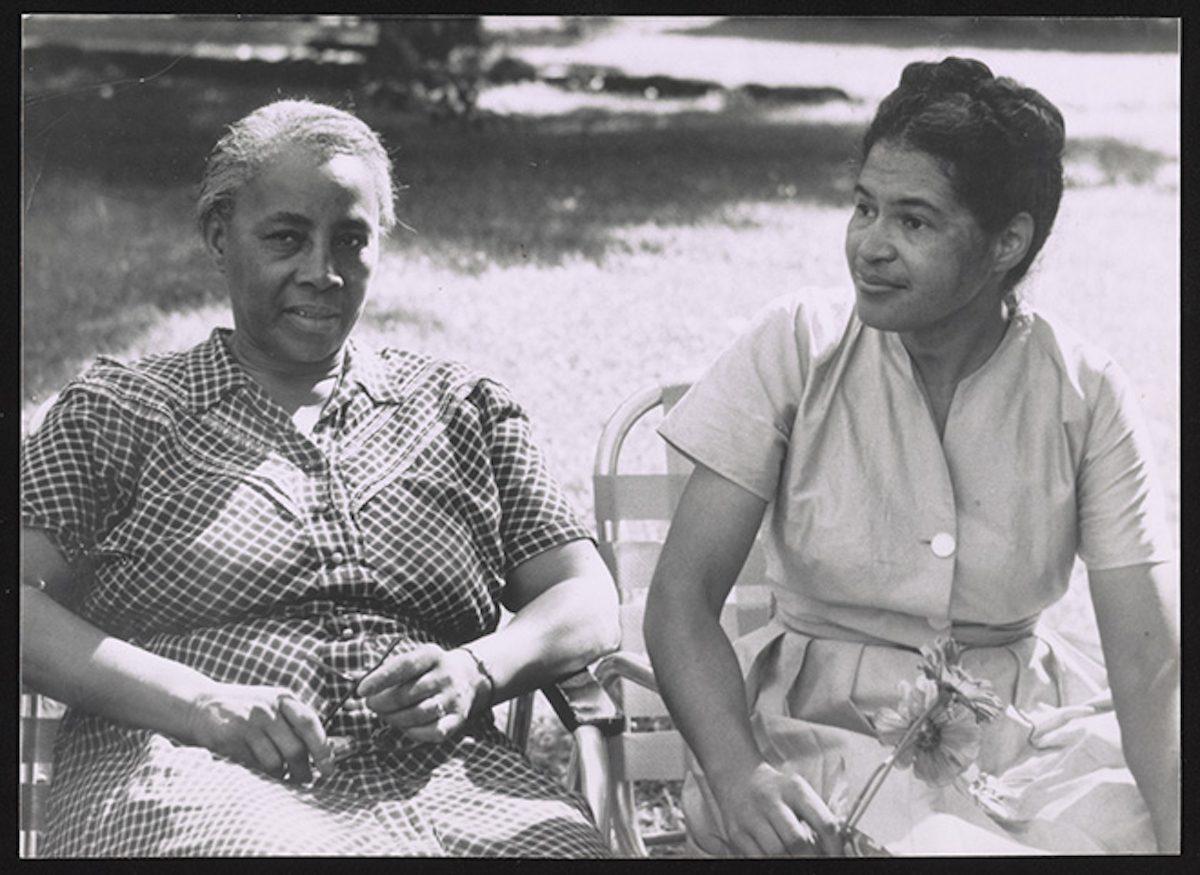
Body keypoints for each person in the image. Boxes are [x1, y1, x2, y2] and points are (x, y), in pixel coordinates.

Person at [20, 99, 620, 857]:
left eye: (351, 240)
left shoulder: (459, 409)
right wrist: (201, 703)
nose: (322, 272)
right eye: (285, 238)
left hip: (450, 781)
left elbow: (587, 595)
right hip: (188, 776)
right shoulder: (120, 413)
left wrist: (477, 667)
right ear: (218, 237)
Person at [643, 57, 1178, 856]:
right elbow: (680, 601)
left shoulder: (1086, 391)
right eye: (864, 207)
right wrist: (738, 774)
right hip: (815, 732)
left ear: (1007, 242)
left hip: (1021, 739)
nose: (870, 246)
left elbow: (1150, 669)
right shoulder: (798, 343)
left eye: (914, 221)